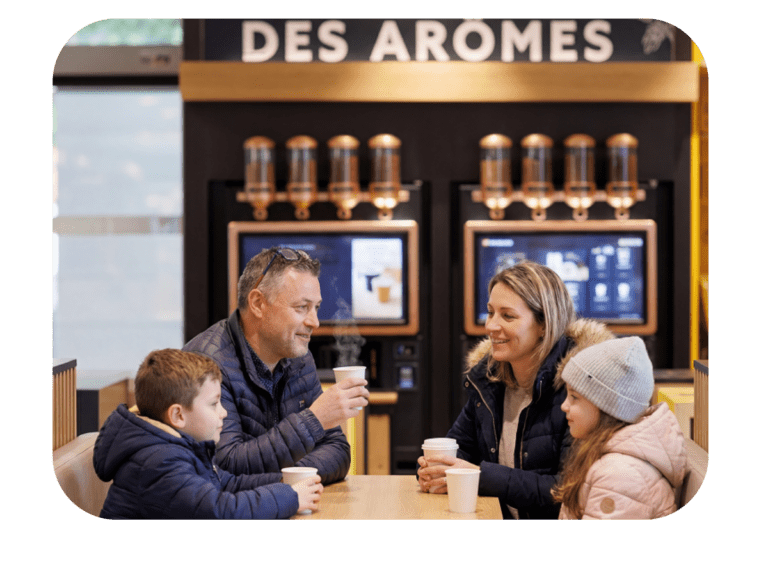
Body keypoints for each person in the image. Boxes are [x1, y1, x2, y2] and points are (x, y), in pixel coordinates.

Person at [417, 261, 614, 519]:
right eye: (490, 313)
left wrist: (479, 476)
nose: (491, 326)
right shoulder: (487, 381)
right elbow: (460, 451)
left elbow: (568, 490)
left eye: (507, 316)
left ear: (544, 325)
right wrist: (434, 470)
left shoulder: (579, 391)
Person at [183, 247, 368, 483]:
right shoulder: (205, 364)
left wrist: (292, 475)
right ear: (258, 303)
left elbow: (338, 451)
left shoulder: (300, 358)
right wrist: (314, 420)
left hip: (283, 500)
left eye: (316, 308)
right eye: (302, 307)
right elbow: (225, 467)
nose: (315, 322)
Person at [93, 349, 323, 519]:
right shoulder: (158, 463)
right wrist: (290, 497)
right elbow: (220, 512)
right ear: (178, 415)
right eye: (214, 404)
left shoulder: (178, 447)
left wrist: (284, 482)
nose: (224, 412)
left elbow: (227, 483)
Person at [553, 337, 689, 519]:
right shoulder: (608, 460)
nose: (564, 406)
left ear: (605, 408)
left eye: (574, 397)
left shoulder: (620, 476)